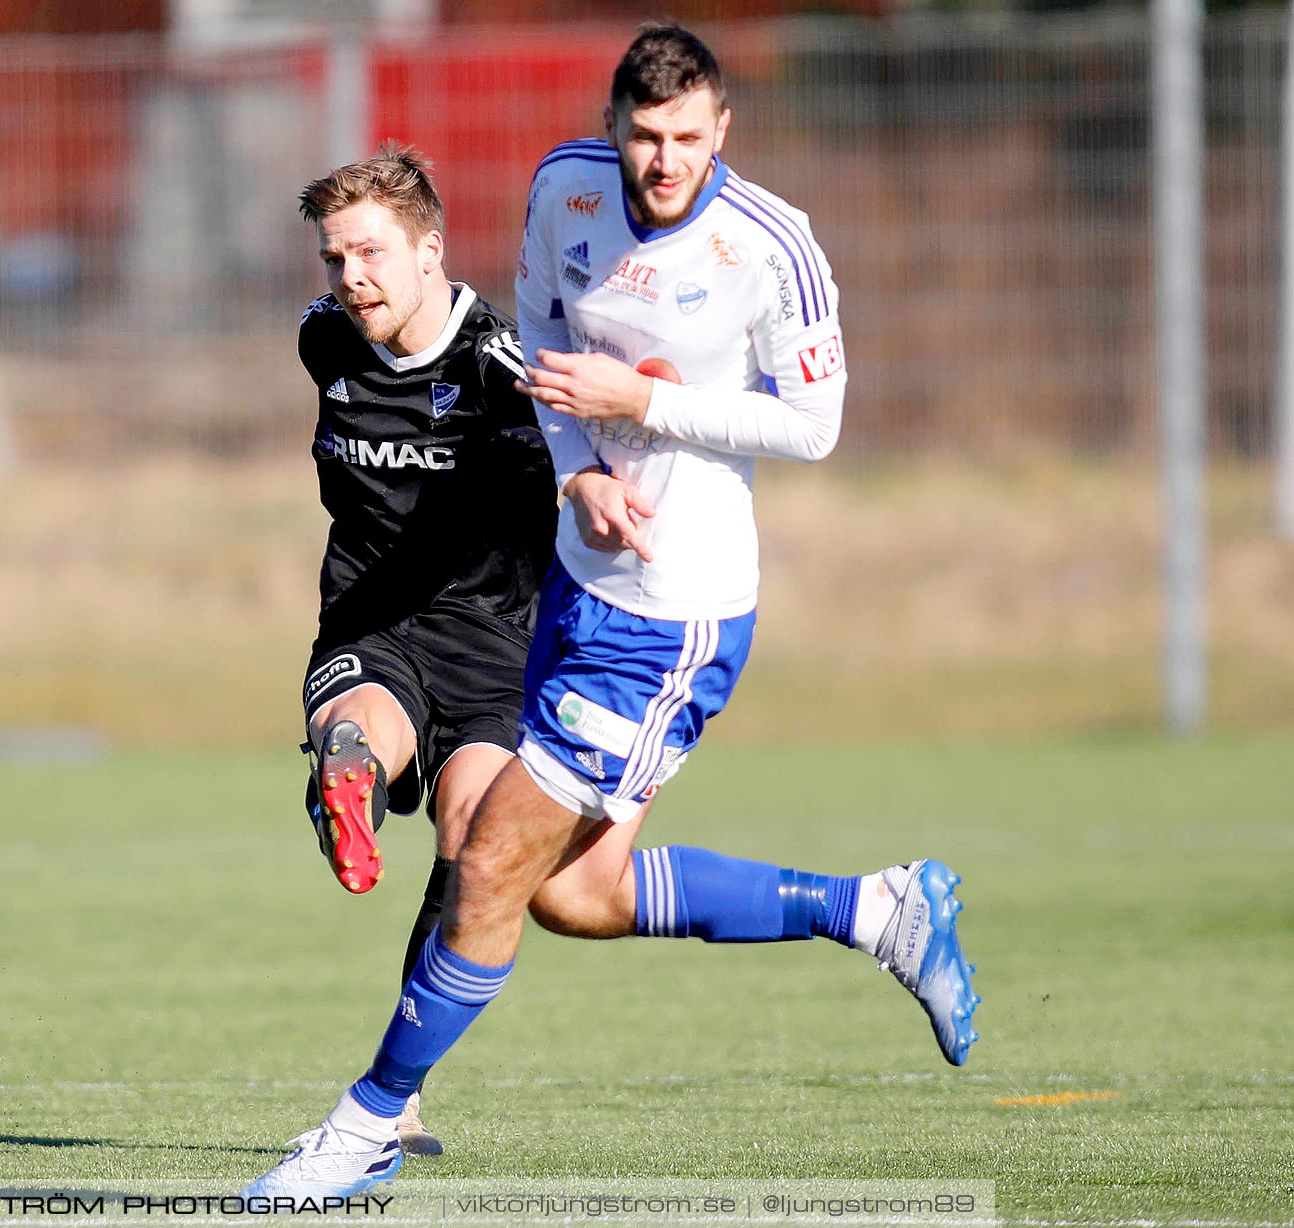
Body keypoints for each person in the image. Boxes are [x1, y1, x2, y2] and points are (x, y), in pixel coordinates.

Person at [245, 24, 980, 1200]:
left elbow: (816, 424)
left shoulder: (771, 246)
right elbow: (541, 338)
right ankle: (880, 911)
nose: (665, 160)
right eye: (645, 136)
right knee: (573, 894)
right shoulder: (563, 190)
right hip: (578, 594)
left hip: (673, 616)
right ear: (613, 126)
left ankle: (368, 1120)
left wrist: (643, 399)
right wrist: (582, 466)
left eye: (689, 137)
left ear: (721, 130)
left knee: (485, 861)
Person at [291, 145, 558, 1155]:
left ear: (430, 250)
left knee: (475, 849)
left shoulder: (502, 370)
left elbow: (582, 467)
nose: (348, 278)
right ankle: (346, 776)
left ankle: (398, 1090)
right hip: (367, 620)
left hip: (494, 642)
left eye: (369, 253)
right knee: (360, 729)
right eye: (332, 258)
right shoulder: (326, 342)